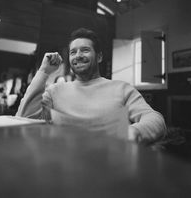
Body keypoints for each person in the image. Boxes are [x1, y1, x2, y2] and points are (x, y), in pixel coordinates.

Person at [16, 28, 166, 144]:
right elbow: (24, 118)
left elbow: (155, 119)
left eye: (85, 50)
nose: (78, 55)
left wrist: (135, 132)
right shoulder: (55, 91)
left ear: (99, 57)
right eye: (73, 52)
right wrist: (43, 71)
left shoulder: (122, 88)